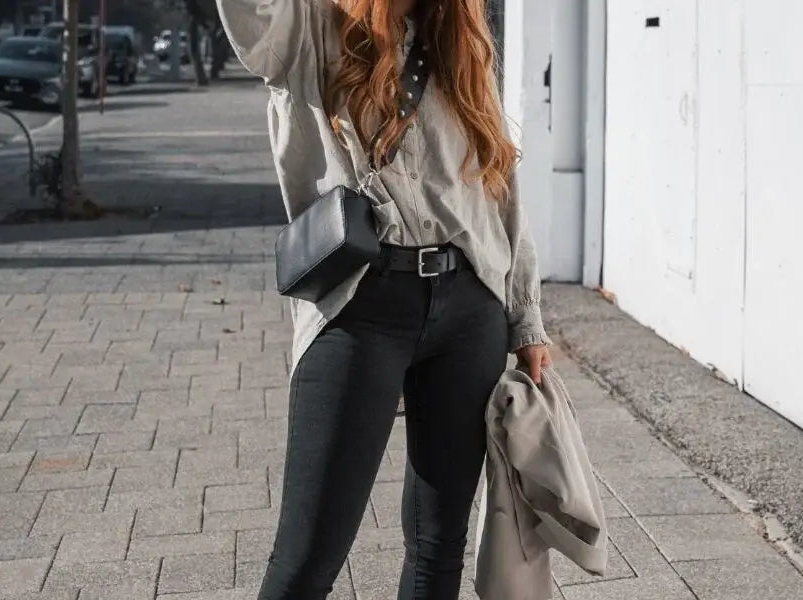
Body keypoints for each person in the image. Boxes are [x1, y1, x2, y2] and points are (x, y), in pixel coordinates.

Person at [217, 0, 553, 598]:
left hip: (470, 306)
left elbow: (500, 189)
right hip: (359, 306)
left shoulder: (459, 35)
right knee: (307, 558)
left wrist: (525, 321)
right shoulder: (305, 27)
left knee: (438, 549)